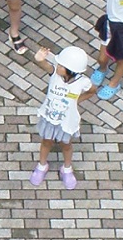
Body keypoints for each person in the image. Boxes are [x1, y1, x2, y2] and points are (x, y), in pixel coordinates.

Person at [29, 45, 95, 189]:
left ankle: (66, 168)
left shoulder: (82, 82)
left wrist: (76, 101)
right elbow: (44, 64)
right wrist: (39, 58)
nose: (57, 66)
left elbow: (91, 91)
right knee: (46, 141)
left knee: (66, 145)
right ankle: (42, 165)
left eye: (61, 65)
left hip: (66, 121)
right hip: (49, 118)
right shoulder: (55, 74)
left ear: (70, 70)